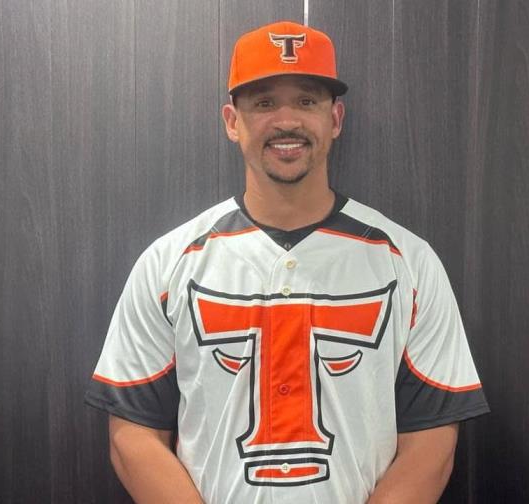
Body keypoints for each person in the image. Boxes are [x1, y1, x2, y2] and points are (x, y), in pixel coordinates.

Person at [85, 20, 489, 504]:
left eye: (306, 101)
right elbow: (132, 437)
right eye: (263, 103)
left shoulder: (409, 262)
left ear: (335, 118)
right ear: (232, 122)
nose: (287, 121)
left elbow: (432, 445)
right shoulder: (168, 262)